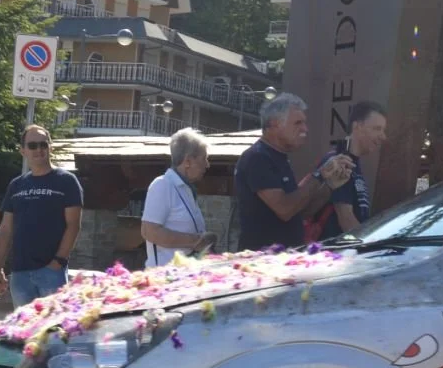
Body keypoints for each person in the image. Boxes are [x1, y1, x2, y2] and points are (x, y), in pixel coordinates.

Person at [234, 93, 354, 251]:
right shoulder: (258, 157)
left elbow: (300, 212)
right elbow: (285, 209)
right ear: (275, 124)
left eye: (304, 123)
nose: (305, 128)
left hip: (281, 259)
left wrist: (330, 185)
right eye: (298, 123)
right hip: (263, 262)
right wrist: (319, 175)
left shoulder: (279, 158)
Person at [0, 126, 84, 307]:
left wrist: (58, 262)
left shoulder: (66, 181)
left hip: (51, 272)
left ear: (50, 147)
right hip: (19, 274)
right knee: (24, 332)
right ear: (23, 150)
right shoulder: (16, 185)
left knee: (53, 331)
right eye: (32, 145)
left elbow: (73, 225)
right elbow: (5, 229)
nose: (39, 149)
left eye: (43, 144)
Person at [315, 100, 387, 241]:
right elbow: (346, 219)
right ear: (357, 127)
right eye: (377, 129)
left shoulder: (352, 162)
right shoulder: (341, 161)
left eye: (383, 130)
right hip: (336, 257)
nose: (383, 136)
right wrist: (369, 249)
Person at [141, 128, 213, 267]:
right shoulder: (162, 185)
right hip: (164, 278)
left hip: (185, 275)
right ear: (187, 161)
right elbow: (149, 232)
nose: (207, 165)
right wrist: (194, 241)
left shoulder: (186, 188)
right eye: (204, 159)